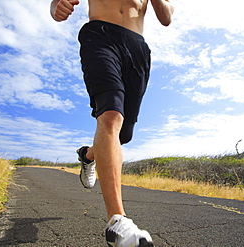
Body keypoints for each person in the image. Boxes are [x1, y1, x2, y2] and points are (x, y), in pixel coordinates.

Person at [50, 0, 174, 246]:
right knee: (111, 115)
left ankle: (89, 155)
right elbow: (57, 3)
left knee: (122, 136)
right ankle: (117, 222)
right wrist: (56, 6)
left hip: (137, 47)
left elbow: (167, 17)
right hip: (100, 36)